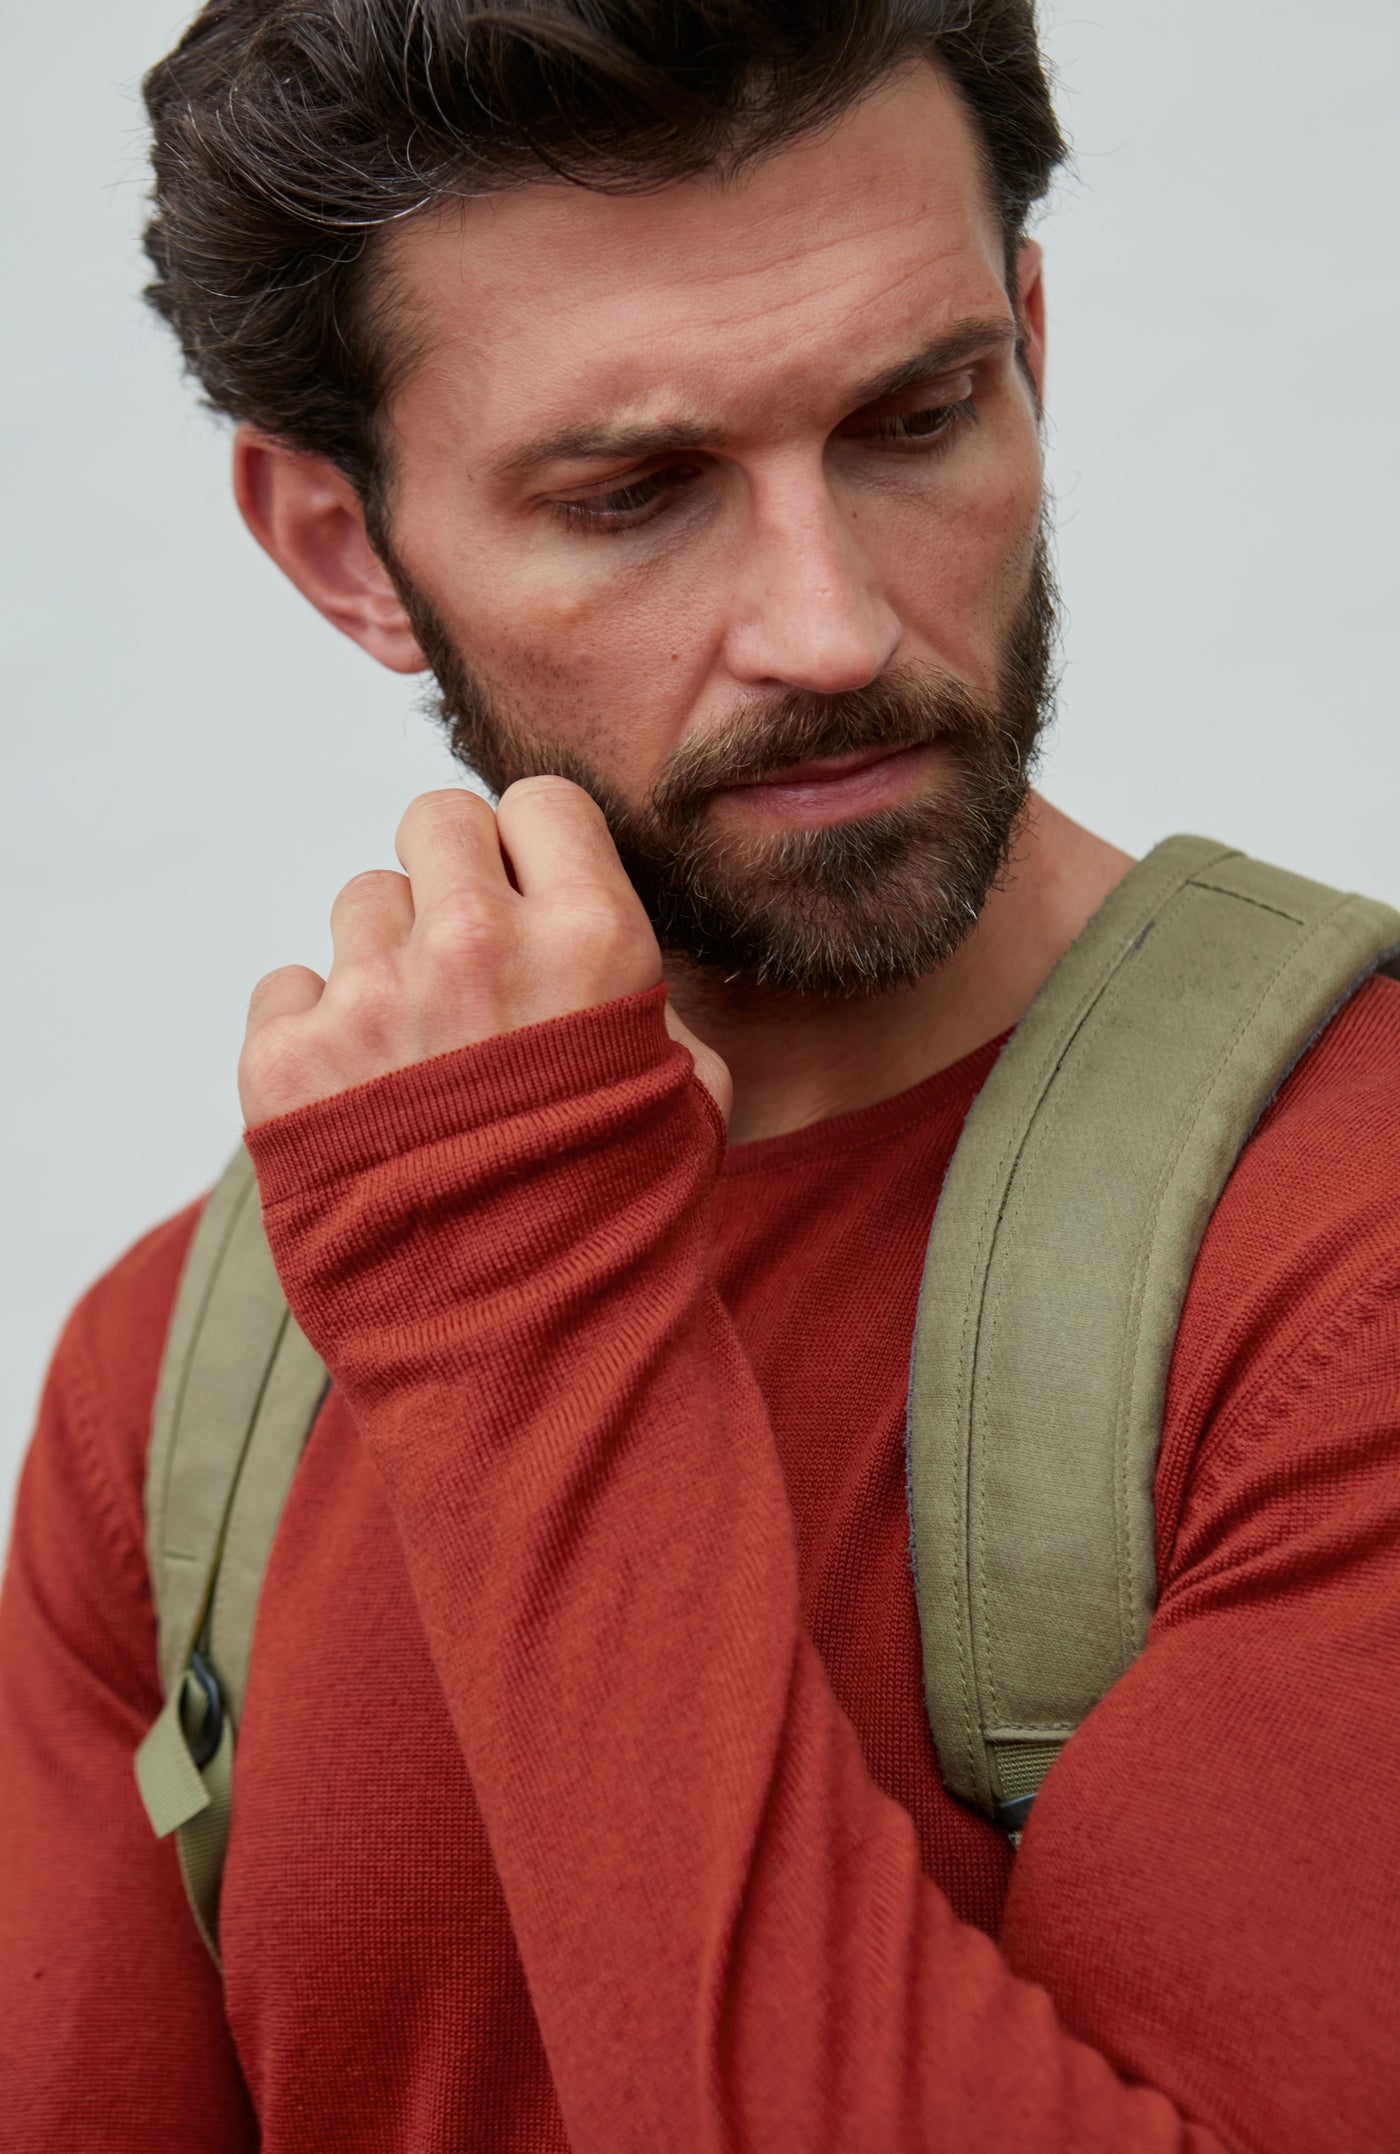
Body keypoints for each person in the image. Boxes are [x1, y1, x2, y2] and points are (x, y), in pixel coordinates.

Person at [2, 4, 1397, 2148]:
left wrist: (516, 1307)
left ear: (1026, 336)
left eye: (918, 414)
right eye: (634, 491)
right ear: (343, 546)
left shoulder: (1346, 1254)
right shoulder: (185, 1379)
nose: (828, 628)